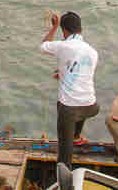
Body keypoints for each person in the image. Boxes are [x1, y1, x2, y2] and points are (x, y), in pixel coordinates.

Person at [41, 11, 99, 169]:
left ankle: (65, 177)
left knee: (64, 157)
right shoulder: (93, 52)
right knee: (80, 101)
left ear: (64, 30)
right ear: (80, 29)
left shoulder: (63, 45)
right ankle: (76, 136)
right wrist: (62, 74)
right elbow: (80, 74)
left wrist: (54, 28)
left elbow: (43, 46)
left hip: (70, 109)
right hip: (91, 106)